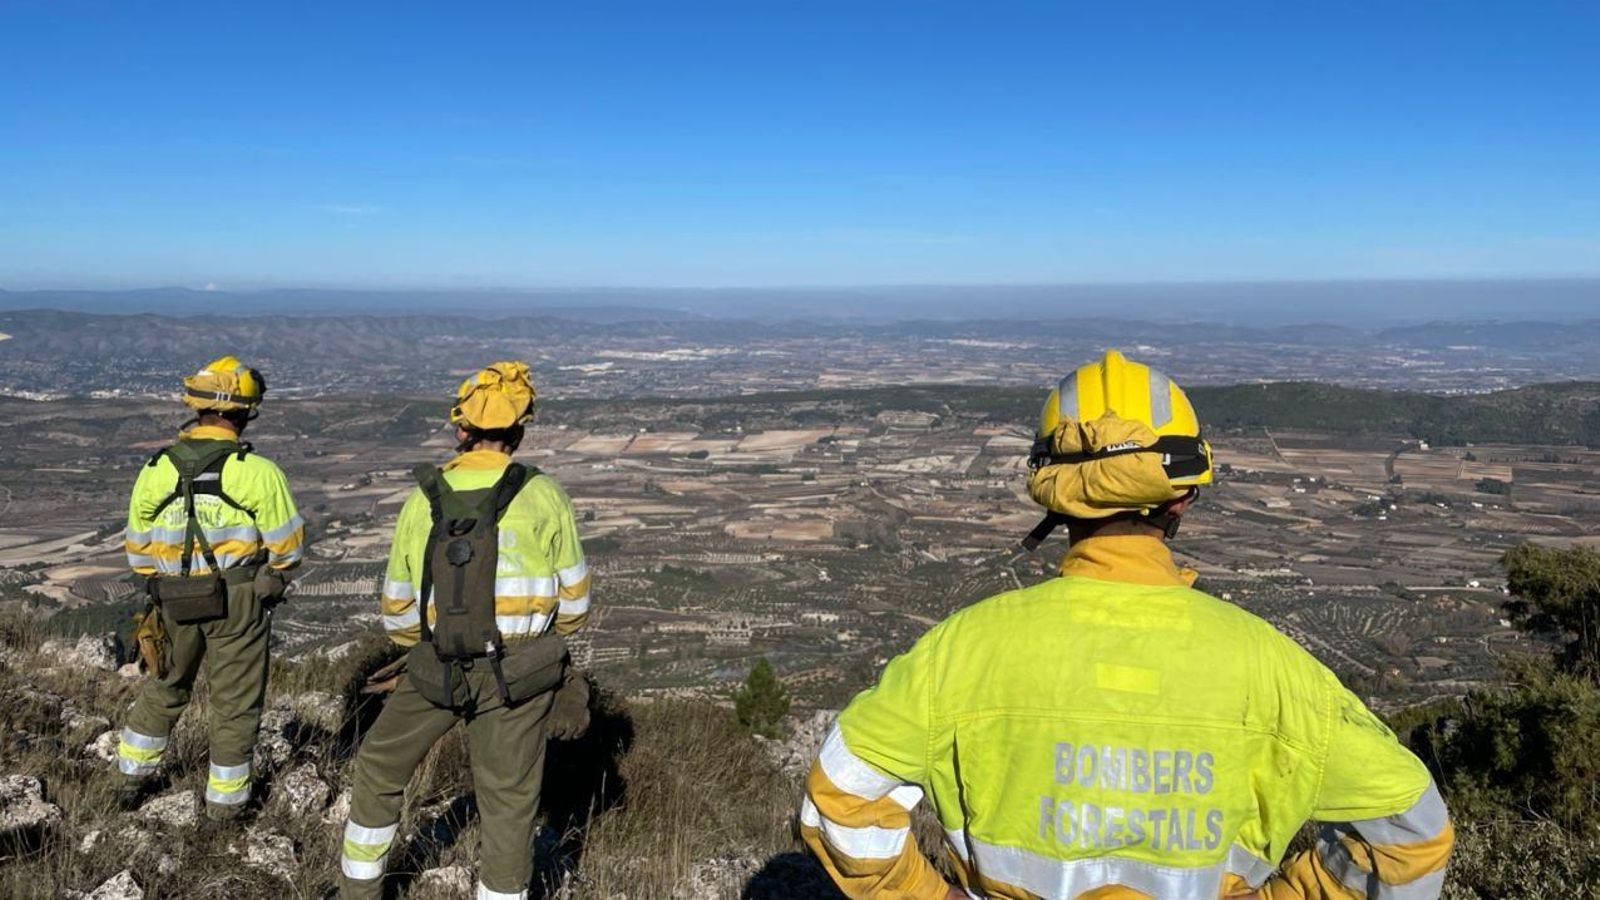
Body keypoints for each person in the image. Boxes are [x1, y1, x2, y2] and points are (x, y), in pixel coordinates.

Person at [800, 350, 1453, 899]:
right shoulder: (1274, 672)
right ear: (1184, 494)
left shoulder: (961, 653)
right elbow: (1415, 836)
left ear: (1051, 491)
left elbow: (838, 799)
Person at [340, 361, 592, 900]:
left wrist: (425, 650)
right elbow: (575, 603)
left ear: (461, 430)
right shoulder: (545, 495)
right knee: (508, 800)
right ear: (519, 432)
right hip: (519, 675)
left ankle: (358, 890)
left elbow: (398, 608)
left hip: (435, 667)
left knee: (381, 766)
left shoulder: (423, 499)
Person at [116, 356, 305, 823]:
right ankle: (226, 808)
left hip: (172, 597)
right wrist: (271, 579)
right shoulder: (258, 471)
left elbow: (137, 549)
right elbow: (289, 546)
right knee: (234, 705)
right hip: (238, 599)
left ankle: (126, 782)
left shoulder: (155, 468)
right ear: (243, 414)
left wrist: (159, 584)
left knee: (165, 686)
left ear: (196, 409)